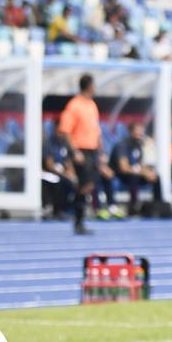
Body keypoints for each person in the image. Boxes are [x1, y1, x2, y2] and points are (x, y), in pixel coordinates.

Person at [58, 74, 104, 234]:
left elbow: (96, 130)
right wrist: (74, 151)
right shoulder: (74, 105)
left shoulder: (92, 105)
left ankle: (78, 216)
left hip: (92, 149)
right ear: (89, 86)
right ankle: (77, 218)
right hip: (81, 149)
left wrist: (100, 151)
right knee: (85, 185)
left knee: (89, 185)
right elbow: (66, 131)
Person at [108, 122, 163, 215]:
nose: (140, 133)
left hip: (134, 172)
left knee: (156, 177)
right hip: (120, 174)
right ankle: (133, 208)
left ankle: (158, 207)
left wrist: (148, 172)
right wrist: (142, 173)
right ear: (130, 132)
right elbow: (124, 168)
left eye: (141, 131)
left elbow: (140, 164)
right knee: (134, 178)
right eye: (138, 131)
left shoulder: (138, 145)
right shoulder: (122, 145)